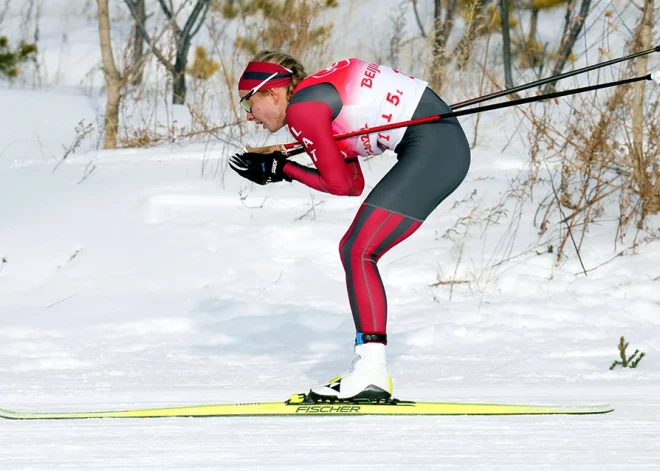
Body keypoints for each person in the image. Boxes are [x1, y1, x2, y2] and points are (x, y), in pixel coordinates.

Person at [230, 51, 471, 402]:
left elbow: (341, 186)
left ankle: (371, 373)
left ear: (272, 92)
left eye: (247, 103)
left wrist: (282, 170)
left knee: (358, 250)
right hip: (439, 146)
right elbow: (352, 182)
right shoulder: (318, 98)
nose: (249, 116)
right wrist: (283, 167)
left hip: (434, 150)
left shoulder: (303, 110)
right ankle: (369, 370)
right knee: (357, 249)